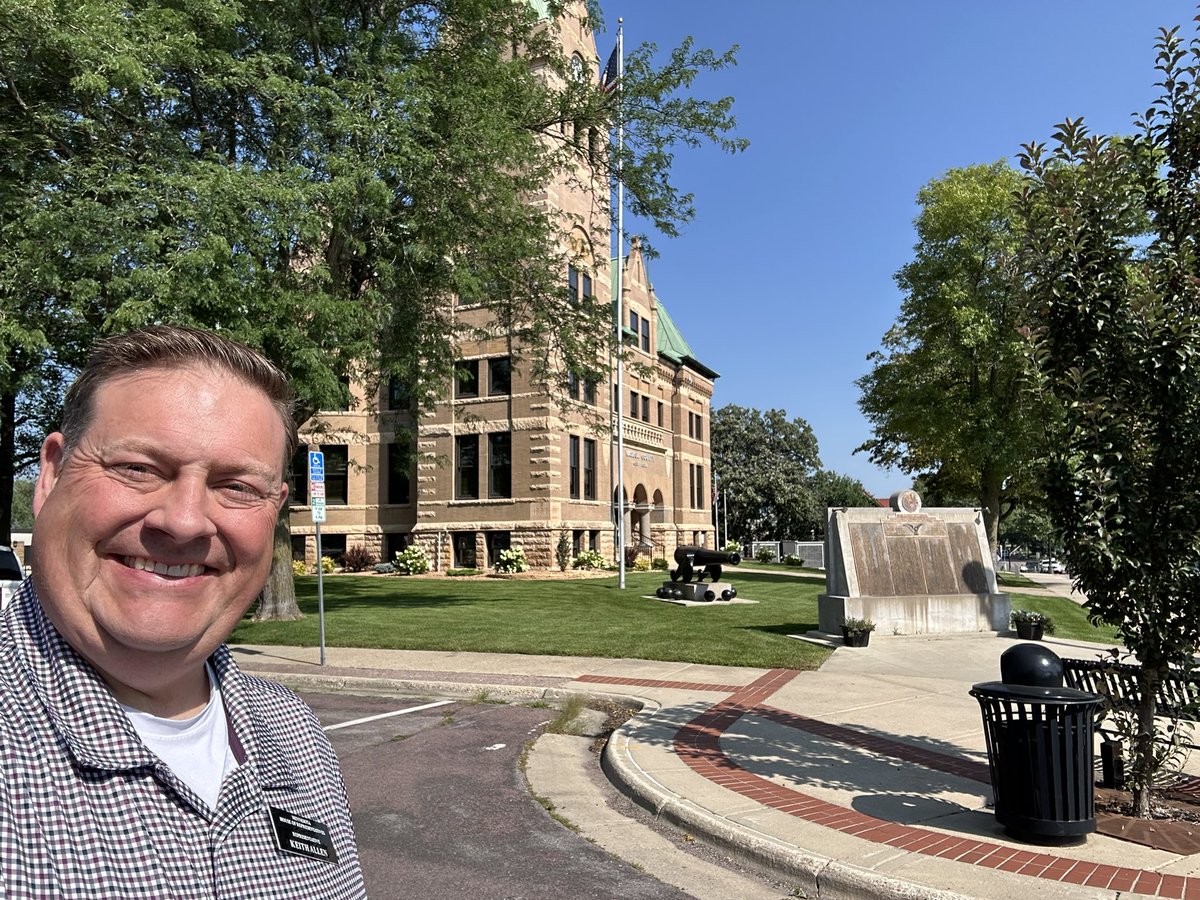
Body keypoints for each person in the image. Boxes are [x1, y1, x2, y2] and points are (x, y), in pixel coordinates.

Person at [0, 325, 367, 898]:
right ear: (51, 475)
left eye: (238, 486)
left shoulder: (297, 737)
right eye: (140, 469)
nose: (186, 521)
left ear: (275, 511)